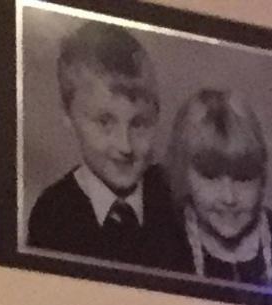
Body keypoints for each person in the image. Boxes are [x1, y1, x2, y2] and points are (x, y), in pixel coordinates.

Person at [23, 20, 183, 271]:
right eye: (105, 122)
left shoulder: (175, 198)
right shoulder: (53, 214)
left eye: (139, 123)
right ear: (68, 114)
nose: (126, 146)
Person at [165, 86, 272, 297]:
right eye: (211, 177)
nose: (229, 198)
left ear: (262, 177)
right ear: (184, 173)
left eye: (243, 178)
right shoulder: (167, 240)